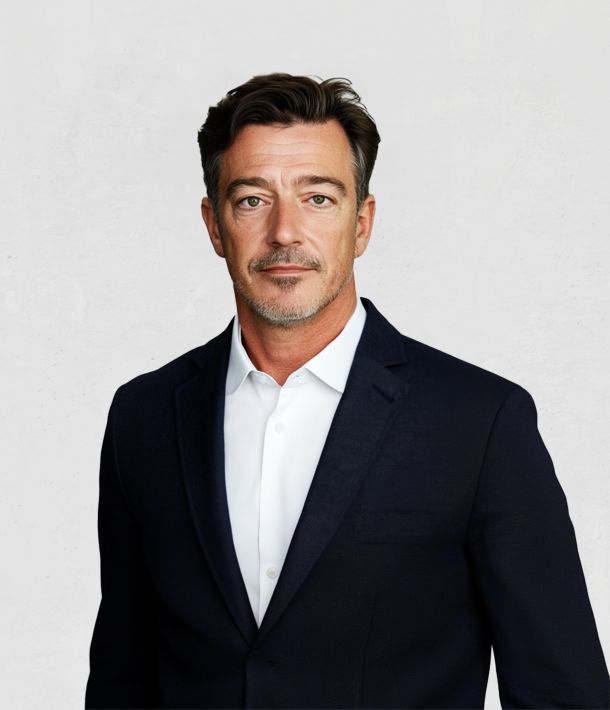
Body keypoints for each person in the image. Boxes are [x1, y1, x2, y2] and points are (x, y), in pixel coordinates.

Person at [85, 73, 609, 709]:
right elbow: (120, 680)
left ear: (361, 223)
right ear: (214, 225)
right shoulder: (143, 416)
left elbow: (563, 692)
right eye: (252, 199)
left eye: (318, 198)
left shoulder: (478, 422)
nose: (284, 232)